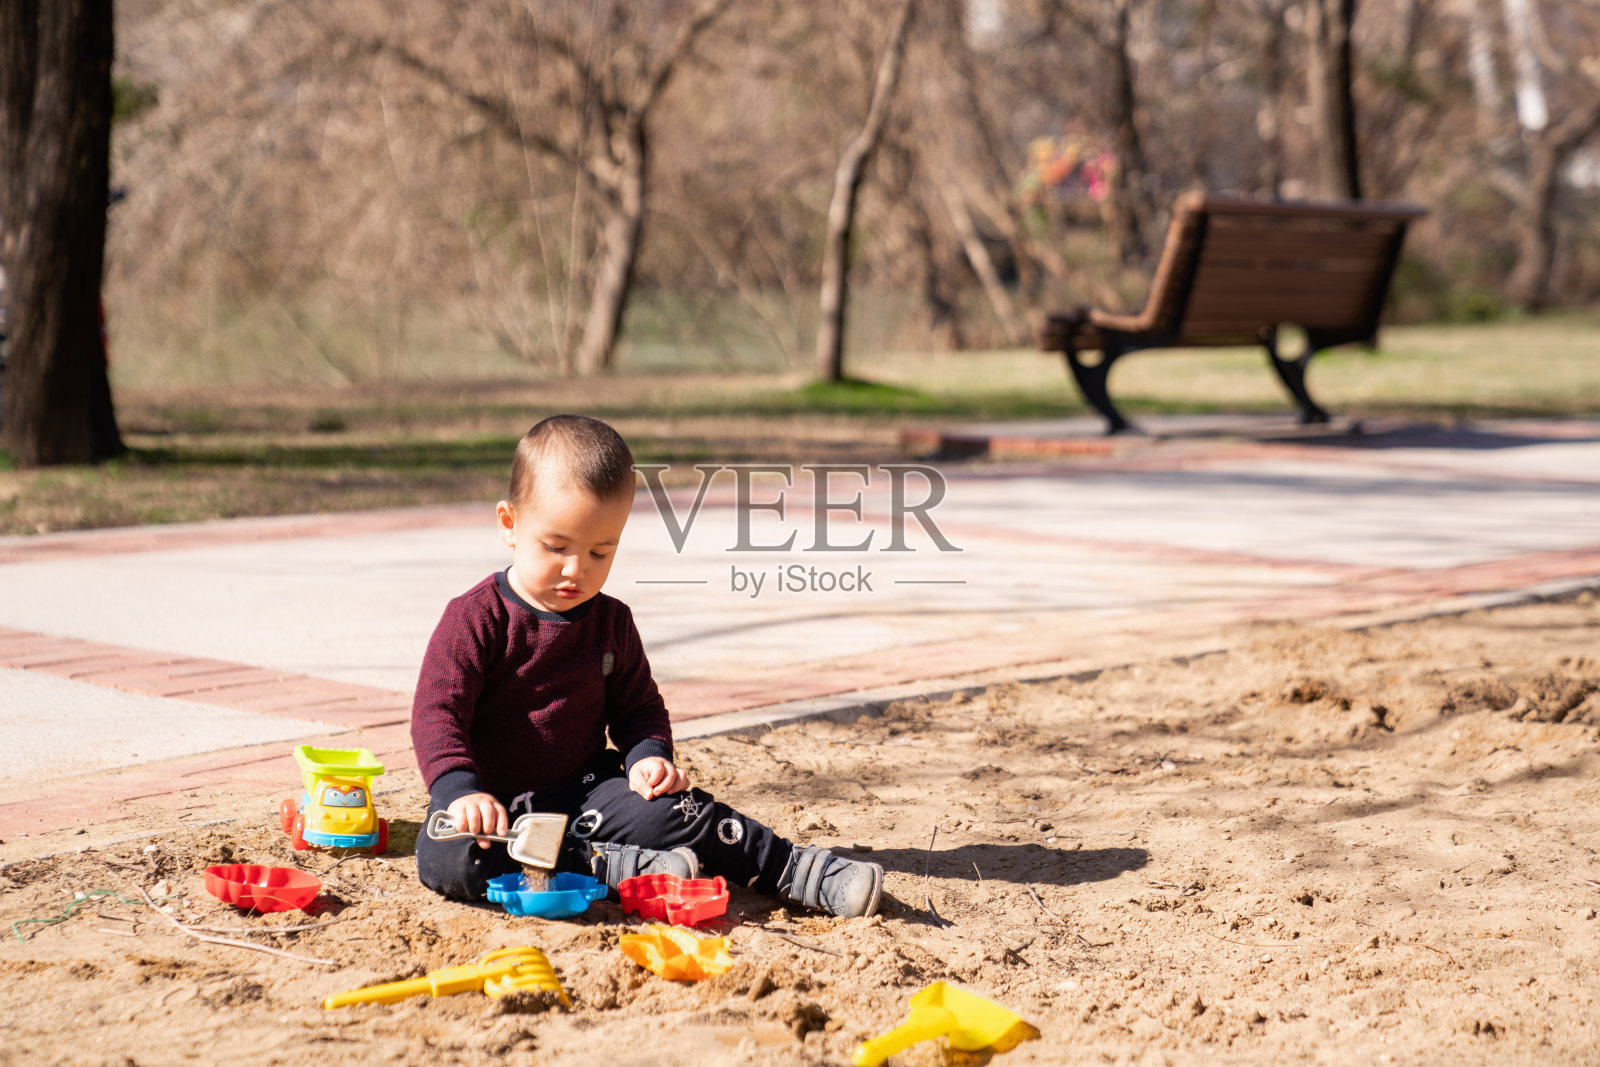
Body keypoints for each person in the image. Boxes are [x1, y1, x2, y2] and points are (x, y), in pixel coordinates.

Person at [410, 414, 884, 918]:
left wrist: (647, 756)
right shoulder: (476, 617)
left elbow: (638, 707)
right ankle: (613, 868)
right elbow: (437, 713)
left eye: (600, 551)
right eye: (556, 547)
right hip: (496, 808)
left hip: (591, 795)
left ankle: (799, 869)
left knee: (683, 812)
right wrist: (459, 792)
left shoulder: (612, 622)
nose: (577, 569)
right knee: (448, 859)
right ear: (510, 524)